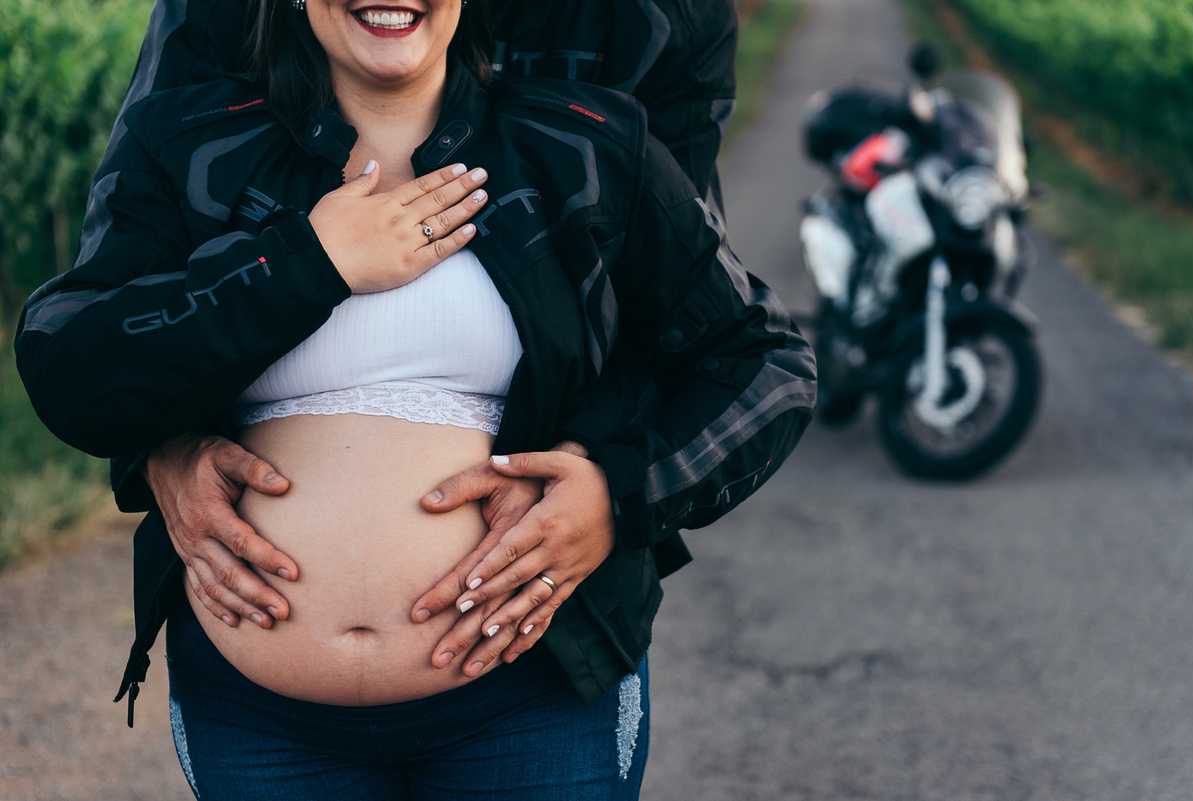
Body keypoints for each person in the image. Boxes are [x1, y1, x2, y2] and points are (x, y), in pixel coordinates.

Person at [15, 0, 815, 796]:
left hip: (532, 696)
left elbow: (726, 345)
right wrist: (298, 279)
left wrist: (615, 491)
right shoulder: (195, 142)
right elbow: (78, 355)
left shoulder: (590, 136)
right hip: (259, 718)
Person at [89, 0, 740, 682]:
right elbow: (131, 265)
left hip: (532, 656)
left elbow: (673, 305)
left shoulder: (669, 21)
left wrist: (607, 484)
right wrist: (159, 443)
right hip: (256, 683)